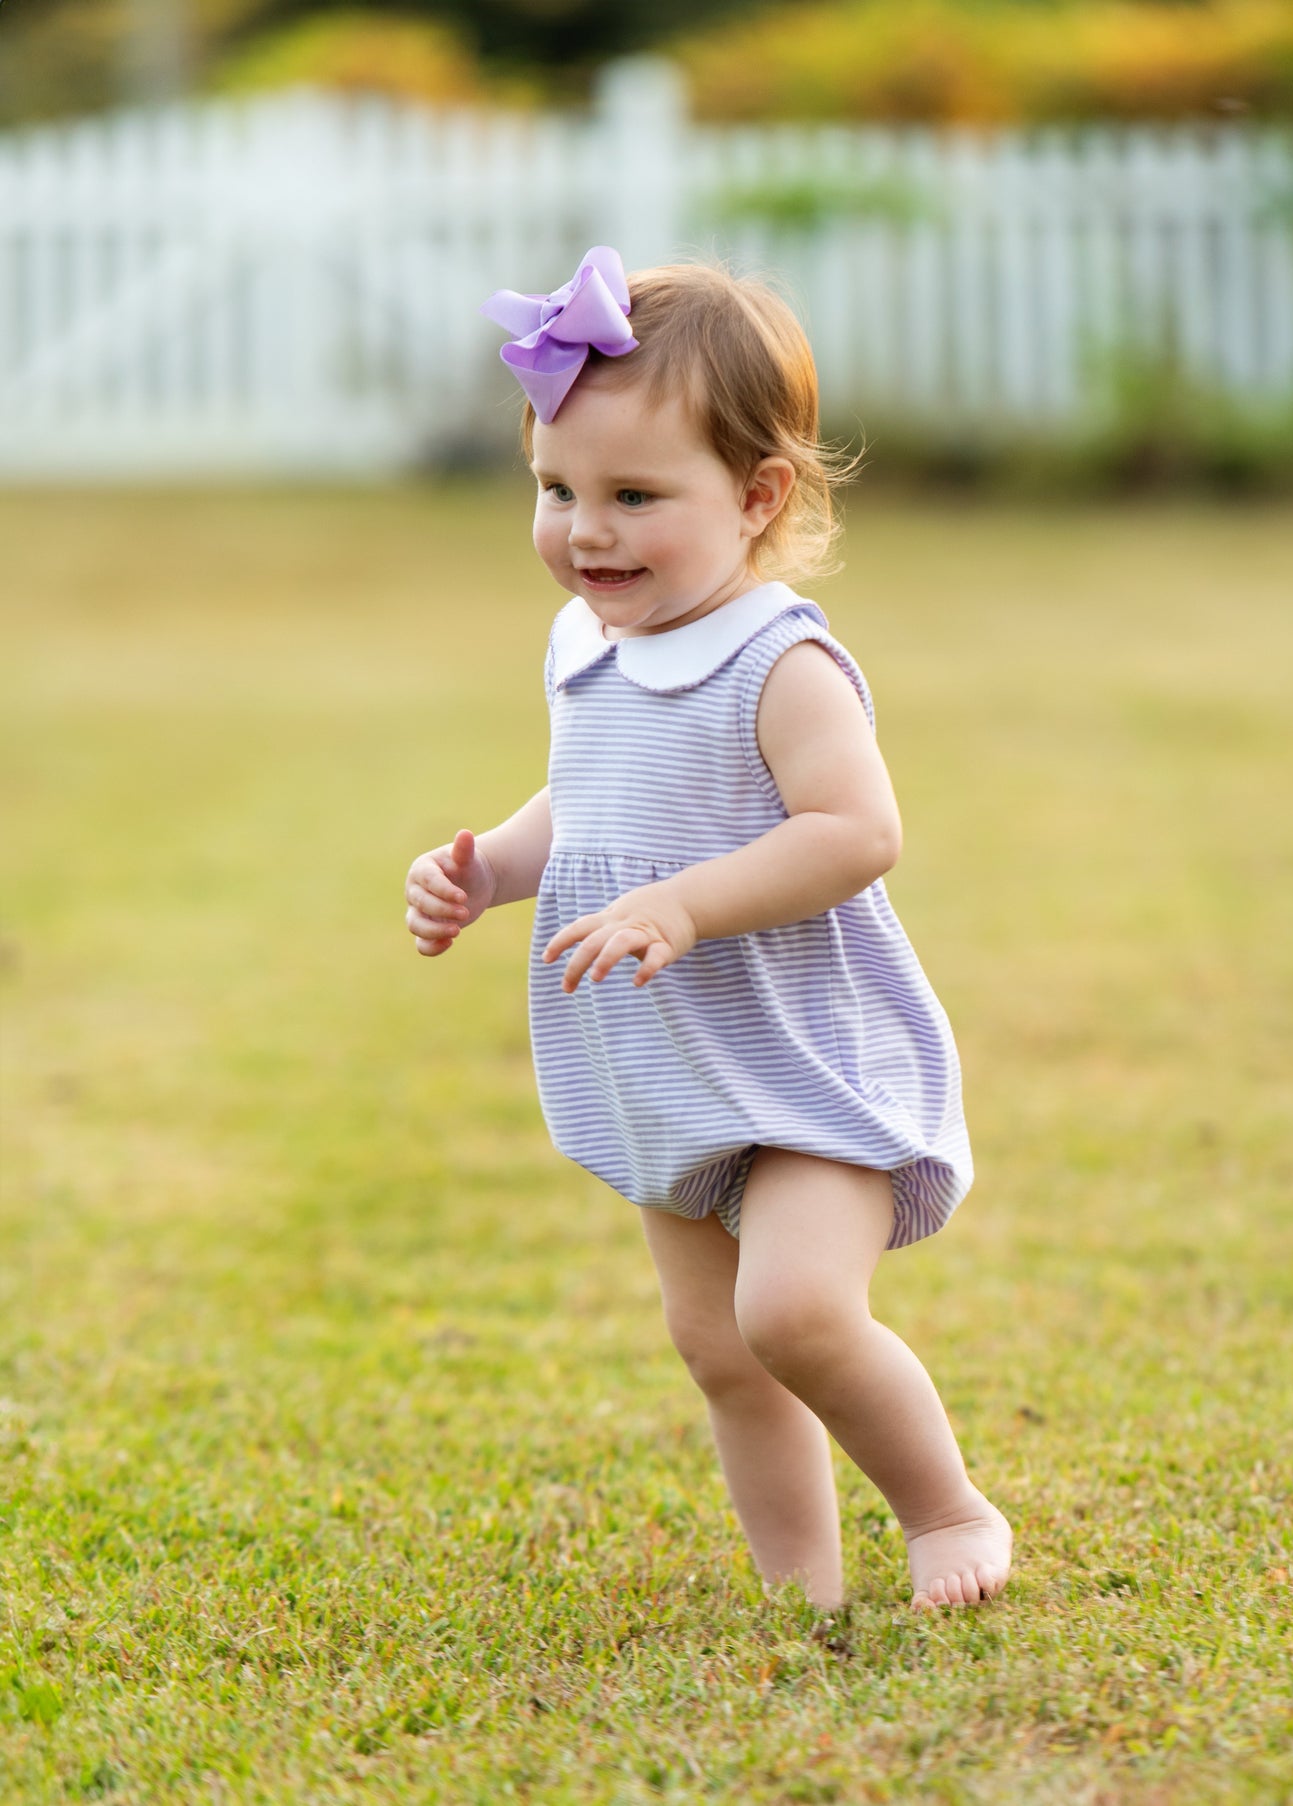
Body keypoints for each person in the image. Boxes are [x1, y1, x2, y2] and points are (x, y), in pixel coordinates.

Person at [403, 248, 1011, 1611]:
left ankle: (947, 1510)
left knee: (789, 1314)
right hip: (668, 1065)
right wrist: (490, 869)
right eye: (557, 491)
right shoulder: (588, 642)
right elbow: (589, 797)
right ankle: (804, 1586)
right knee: (717, 1347)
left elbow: (854, 831)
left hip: (800, 1057)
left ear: (755, 497)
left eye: (633, 496)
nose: (587, 531)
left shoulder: (778, 661)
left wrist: (688, 898)